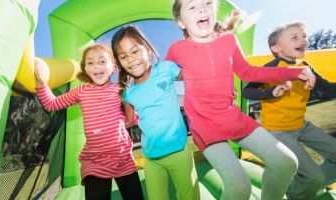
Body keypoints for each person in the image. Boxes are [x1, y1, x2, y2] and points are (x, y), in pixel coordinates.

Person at [165, 0, 317, 199]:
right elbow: (164, 80)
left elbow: (248, 72)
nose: (202, 8)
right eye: (192, 6)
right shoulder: (177, 49)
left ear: (214, 9)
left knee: (286, 163)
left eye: (208, 2)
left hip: (232, 118)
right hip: (205, 127)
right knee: (239, 187)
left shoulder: (228, 41)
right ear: (181, 22)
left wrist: (295, 72)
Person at [34, 44, 144, 200]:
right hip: (95, 162)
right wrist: (41, 82)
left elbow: (131, 120)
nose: (96, 66)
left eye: (102, 61)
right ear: (85, 69)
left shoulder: (120, 90)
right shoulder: (81, 91)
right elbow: (52, 104)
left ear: (112, 66)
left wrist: (134, 110)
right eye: (90, 63)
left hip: (122, 158)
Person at [242, 21, 336, 200]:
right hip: (279, 132)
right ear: (276, 48)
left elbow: (328, 88)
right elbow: (248, 91)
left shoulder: (306, 66)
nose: (303, 40)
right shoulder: (270, 67)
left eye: (304, 36)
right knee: (313, 176)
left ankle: (300, 189)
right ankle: (296, 192)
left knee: (319, 174)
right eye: (294, 37)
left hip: (302, 126)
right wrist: (271, 92)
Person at [111, 26, 200, 200]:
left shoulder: (165, 69)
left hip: (179, 152)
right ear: (119, 62)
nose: (130, 59)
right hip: (151, 159)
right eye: (123, 56)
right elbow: (127, 121)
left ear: (147, 48)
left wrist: (219, 89)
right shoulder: (128, 93)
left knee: (189, 196)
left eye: (135, 51)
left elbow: (196, 77)